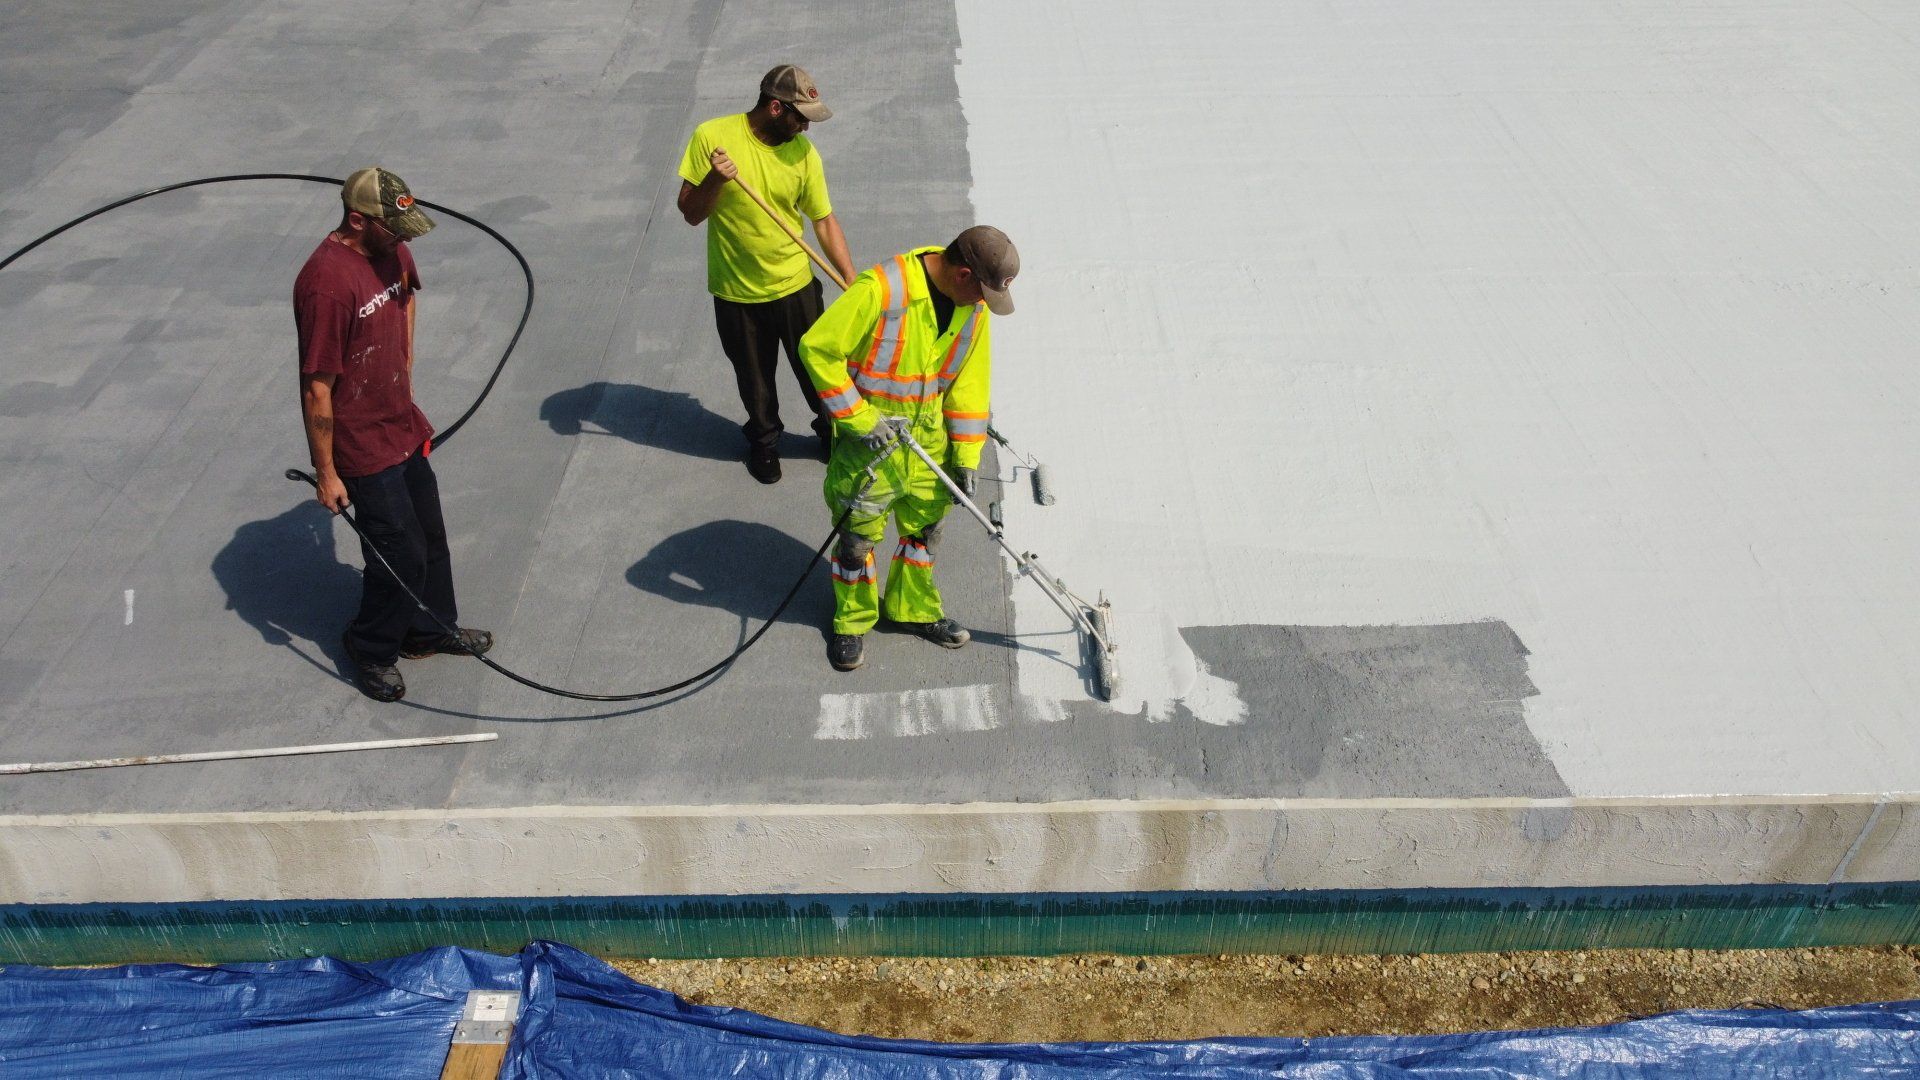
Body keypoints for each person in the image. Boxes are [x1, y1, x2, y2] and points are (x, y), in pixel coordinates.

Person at [294, 166, 493, 703]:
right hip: (359, 441)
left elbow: (406, 297)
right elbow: (316, 387)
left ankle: (429, 630)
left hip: (401, 422)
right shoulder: (327, 283)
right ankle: (372, 645)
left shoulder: (394, 249)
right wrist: (327, 471)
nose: (404, 235)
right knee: (397, 553)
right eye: (394, 226)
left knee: (429, 534)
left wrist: (402, 368)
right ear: (358, 220)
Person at [799, 226, 1019, 671]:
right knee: (856, 542)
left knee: (924, 535)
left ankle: (912, 610)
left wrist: (967, 455)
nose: (983, 305)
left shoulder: (970, 311)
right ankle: (852, 620)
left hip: (928, 445)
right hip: (871, 449)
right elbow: (817, 349)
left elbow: (969, 385)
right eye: (982, 294)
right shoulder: (881, 289)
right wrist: (860, 418)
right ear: (962, 274)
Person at [679, 63, 856, 484]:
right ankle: (764, 444)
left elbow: (824, 221)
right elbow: (690, 213)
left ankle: (830, 431)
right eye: (801, 118)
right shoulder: (712, 137)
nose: (807, 130)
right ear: (776, 108)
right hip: (737, 293)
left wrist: (851, 280)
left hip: (796, 287)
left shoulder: (803, 154)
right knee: (755, 384)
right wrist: (714, 180)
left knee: (820, 372)